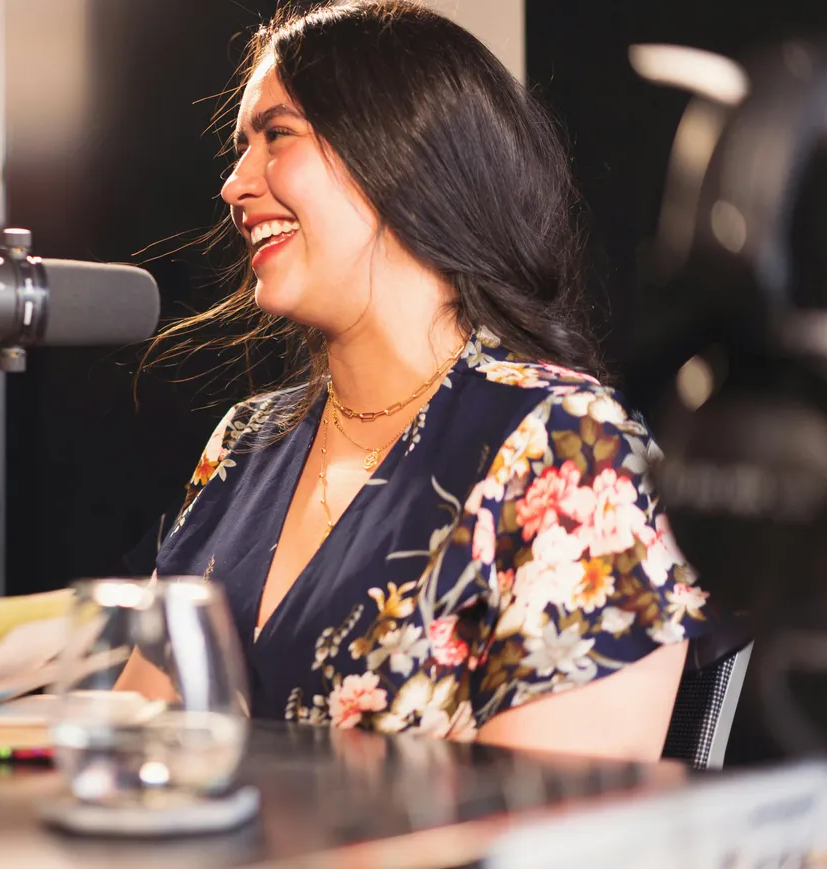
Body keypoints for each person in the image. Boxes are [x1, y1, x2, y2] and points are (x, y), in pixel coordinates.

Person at [120, 0, 718, 762]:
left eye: (277, 135)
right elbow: (136, 741)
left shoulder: (571, 447)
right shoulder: (243, 443)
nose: (234, 185)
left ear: (400, 151)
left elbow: (556, 812)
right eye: (241, 148)